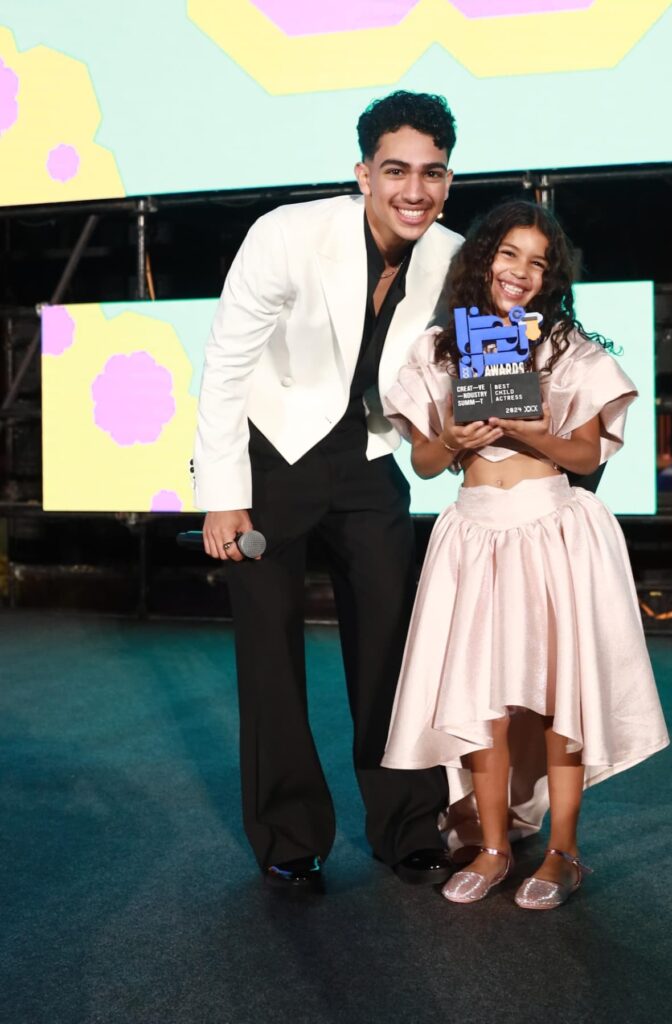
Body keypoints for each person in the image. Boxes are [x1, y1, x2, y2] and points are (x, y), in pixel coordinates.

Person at [193, 91, 463, 888]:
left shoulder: (454, 257)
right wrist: (222, 494)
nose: (414, 189)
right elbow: (226, 364)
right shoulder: (287, 235)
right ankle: (290, 836)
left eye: (432, 173)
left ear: (448, 180)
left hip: (369, 453)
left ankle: (409, 824)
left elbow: (479, 358)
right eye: (396, 171)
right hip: (270, 454)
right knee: (269, 650)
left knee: (393, 644)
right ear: (363, 174)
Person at [381, 200, 669, 908]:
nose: (522, 272)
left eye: (539, 262)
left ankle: (564, 852)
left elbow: (588, 454)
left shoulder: (566, 348)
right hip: (473, 535)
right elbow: (424, 463)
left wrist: (531, 427)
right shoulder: (439, 349)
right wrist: (454, 439)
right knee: (479, 701)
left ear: (552, 277)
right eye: (509, 254)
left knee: (557, 699)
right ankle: (492, 846)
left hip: (551, 529)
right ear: (482, 259)